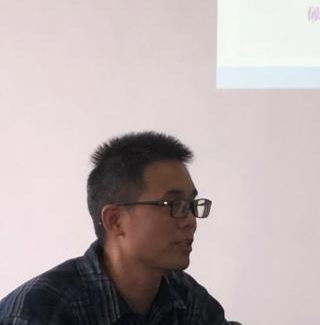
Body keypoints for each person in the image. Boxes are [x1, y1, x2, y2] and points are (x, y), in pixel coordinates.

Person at [0, 132, 240, 324]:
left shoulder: (183, 297)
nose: (190, 221)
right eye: (173, 205)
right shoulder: (40, 311)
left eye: (190, 205)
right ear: (115, 220)